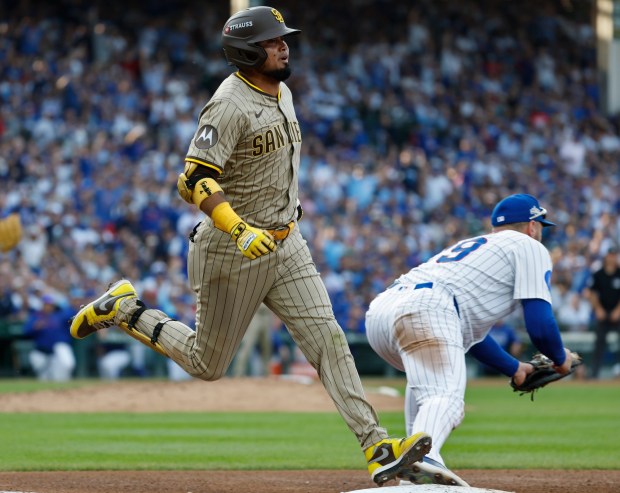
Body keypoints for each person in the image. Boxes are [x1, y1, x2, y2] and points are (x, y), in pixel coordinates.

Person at [69, 6, 430, 486]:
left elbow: (227, 175)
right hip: (230, 248)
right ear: (245, 50)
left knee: (328, 340)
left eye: (283, 39)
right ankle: (127, 310)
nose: (283, 46)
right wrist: (238, 227)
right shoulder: (229, 103)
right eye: (272, 41)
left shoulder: (283, 92)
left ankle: (377, 446)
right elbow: (195, 177)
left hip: (286, 243)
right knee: (206, 363)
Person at [365, 193, 575, 486]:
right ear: (531, 226)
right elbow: (540, 325)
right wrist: (560, 358)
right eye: (540, 226)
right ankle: (423, 460)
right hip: (428, 308)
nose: (540, 232)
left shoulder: (476, 248)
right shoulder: (530, 246)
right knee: (447, 399)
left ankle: (417, 478)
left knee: (429, 388)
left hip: (381, 313)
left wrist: (515, 369)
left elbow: (469, 335)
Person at [586, 247, 620, 378]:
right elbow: (592, 293)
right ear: (606, 256)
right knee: (599, 344)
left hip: (617, 313)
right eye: (610, 255)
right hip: (603, 313)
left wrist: (618, 311)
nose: (612, 257)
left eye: (614, 255)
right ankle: (594, 375)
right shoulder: (598, 274)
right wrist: (598, 309)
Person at [24, 295, 76, 381]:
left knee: (59, 376)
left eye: (50, 305)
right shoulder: (36, 316)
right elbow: (26, 331)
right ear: (42, 305)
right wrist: (35, 327)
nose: (48, 307)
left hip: (54, 353)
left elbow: (73, 315)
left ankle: (63, 391)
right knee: (43, 377)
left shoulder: (59, 315)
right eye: (46, 304)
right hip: (40, 352)